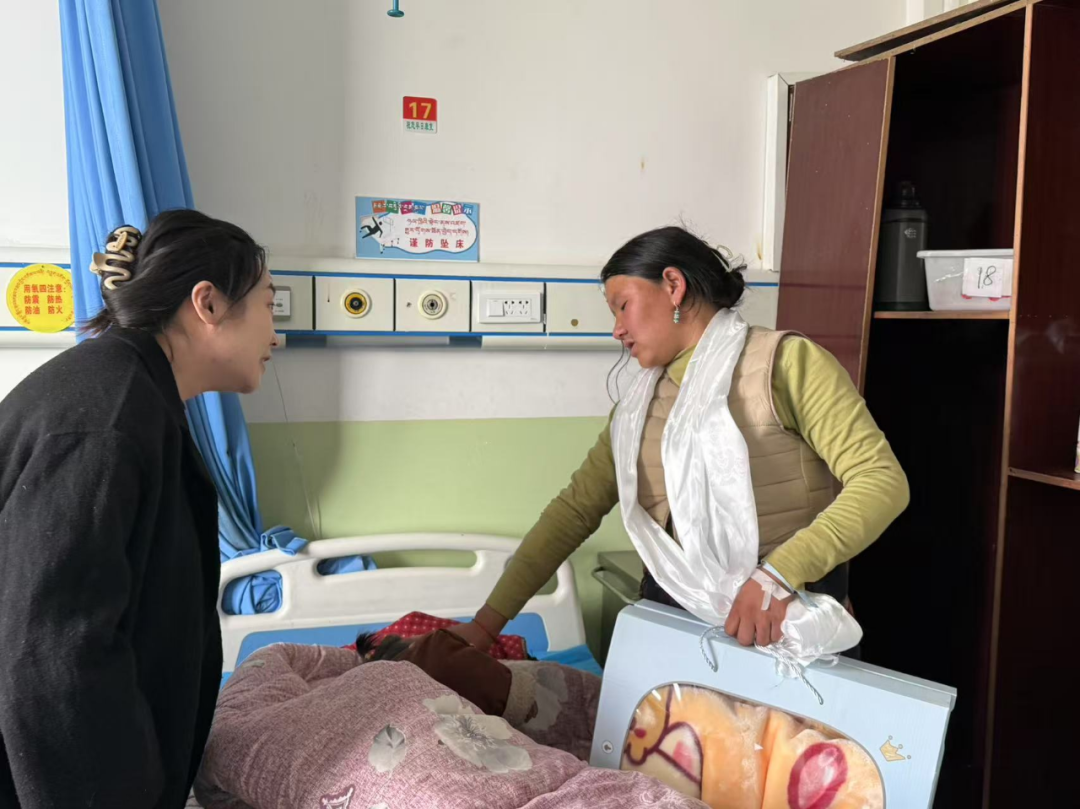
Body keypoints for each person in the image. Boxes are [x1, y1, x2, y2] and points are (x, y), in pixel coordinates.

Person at [450, 225, 909, 652]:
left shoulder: (784, 364)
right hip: (672, 627)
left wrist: (778, 576)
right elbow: (573, 513)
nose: (617, 329)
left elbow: (880, 482)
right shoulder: (636, 411)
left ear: (673, 285)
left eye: (622, 305)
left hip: (787, 624)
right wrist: (485, 626)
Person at [0, 210, 278, 807]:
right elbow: (53, 661)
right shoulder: (107, 421)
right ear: (207, 303)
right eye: (268, 305)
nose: (275, 336)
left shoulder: (127, 393)